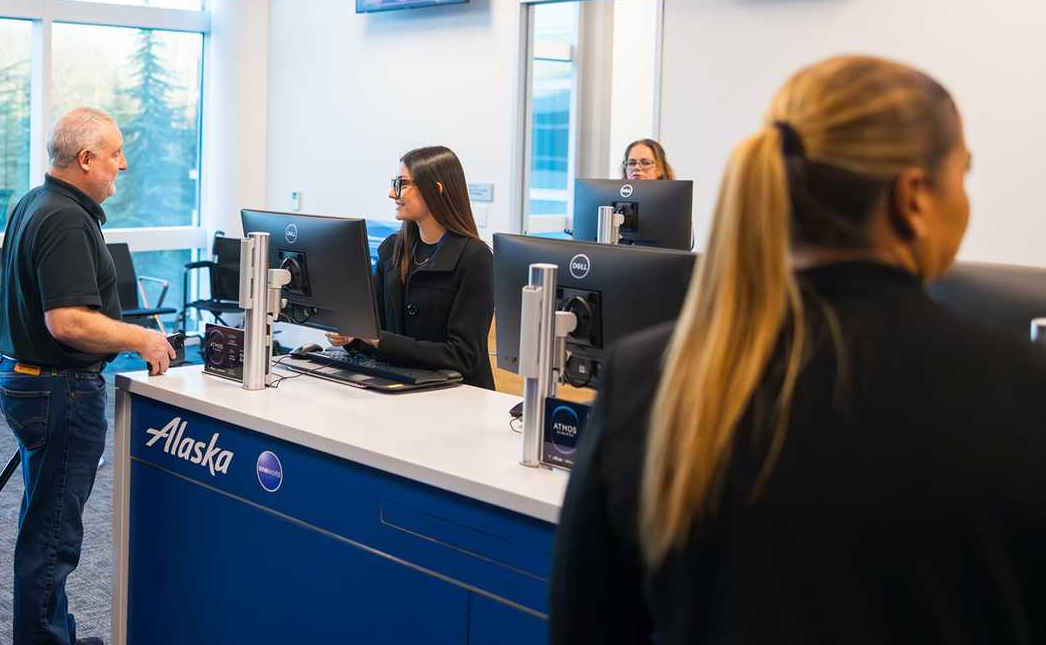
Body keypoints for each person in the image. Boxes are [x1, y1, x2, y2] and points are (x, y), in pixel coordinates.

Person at [549, 56, 1046, 643]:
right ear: (912, 197)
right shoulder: (1020, 388)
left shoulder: (651, 377)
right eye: (963, 173)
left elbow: (587, 625)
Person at [0, 106, 176, 645]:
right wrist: (141, 338)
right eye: (116, 154)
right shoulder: (66, 219)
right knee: (53, 536)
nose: (124, 164)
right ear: (87, 158)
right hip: (58, 391)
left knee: (44, 523)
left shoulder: (36, 202)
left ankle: (55, 634)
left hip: (27, 380)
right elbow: (68, 322)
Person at [328, 145, 496, 390]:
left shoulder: (475, 258)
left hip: (457, 395)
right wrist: (351, 337)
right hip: (399, 387)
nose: (392, 193)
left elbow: (463, 356)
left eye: (402, 184)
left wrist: (377, 339)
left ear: (435, 190)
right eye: (394, 183)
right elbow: (375, 335)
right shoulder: (392, 249)